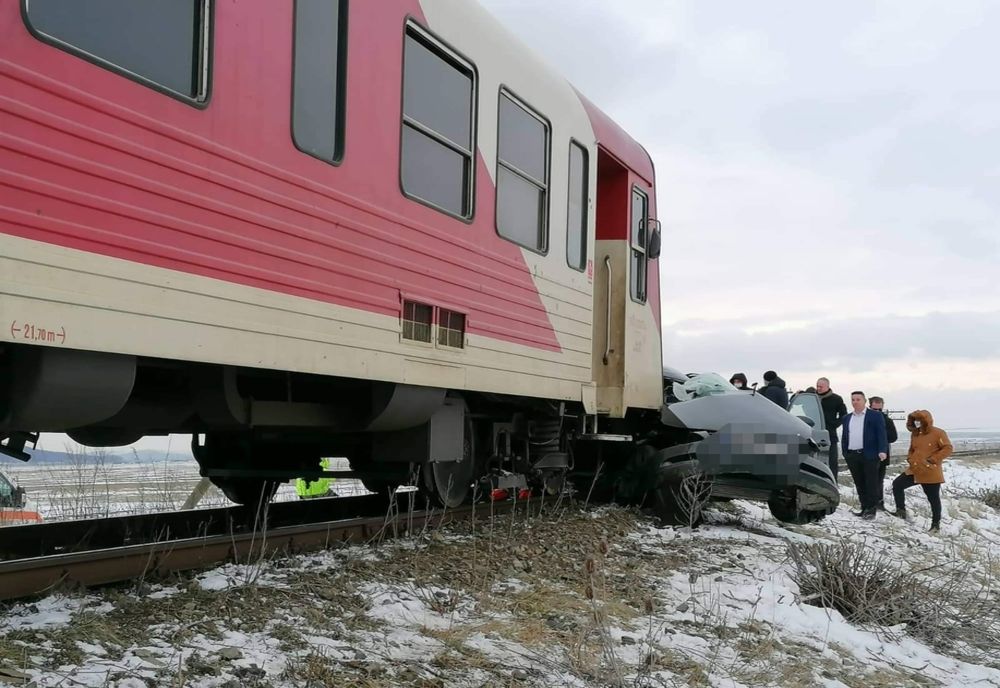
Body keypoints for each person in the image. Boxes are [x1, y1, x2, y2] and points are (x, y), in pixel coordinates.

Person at [890, 410, 952, 532]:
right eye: (914, 420)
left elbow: (948, 448)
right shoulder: (915, 434)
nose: (917, 423)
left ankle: (935, 525)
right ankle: (901, 511)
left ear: (926, 421)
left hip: (930, 471)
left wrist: (933, 459)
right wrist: (910, 458)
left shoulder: (938, 433)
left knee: (933, 499)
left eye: (919, 420)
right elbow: (912, 449)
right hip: (915, 469)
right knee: (897, 484)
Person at [840, 391, 888, 519]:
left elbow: (881, 434)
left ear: (864, 401)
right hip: (852, 455)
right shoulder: (847, 418)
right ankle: (864, 507)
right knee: (859, 482)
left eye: (858, 399)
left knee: (871, 483)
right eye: (853, 400)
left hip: (869, 455)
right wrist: (845, 452)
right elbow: (845, 436)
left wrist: (882, 450)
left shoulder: (874, 416)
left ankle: (871, 510)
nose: (855, 402)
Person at [868, 396, 898, 510]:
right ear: (870, 407)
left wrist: (881, 436)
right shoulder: (865, 419)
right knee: (868, 480)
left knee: (879, 481)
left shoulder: (887, 421)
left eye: (879, 410)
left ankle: (879, 503)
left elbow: (893, 437)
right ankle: (869, 503)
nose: (877, 412)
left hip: (882, 456)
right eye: (874, 410)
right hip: (866, 455)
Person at [816, 377, 848, 478]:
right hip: (814, 432)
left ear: (827, 386)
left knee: (832, 462)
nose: (819, 388)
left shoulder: (836, 399)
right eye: (817, 386)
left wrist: (834, 424)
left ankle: (833, 483)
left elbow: (844, 415)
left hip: (830, 434)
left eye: (821, 386)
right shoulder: (813, 397)